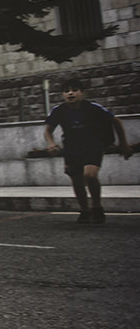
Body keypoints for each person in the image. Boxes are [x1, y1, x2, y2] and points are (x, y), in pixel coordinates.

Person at [44, 79, 132, 223]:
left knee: (90, 175)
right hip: (72, 149)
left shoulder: (93, 107)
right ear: (63, 95)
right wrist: (51, 144)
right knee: (77, 180)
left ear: (82, 93)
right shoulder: (59, 110)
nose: (70, 93)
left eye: (75, 90)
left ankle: (97, 207)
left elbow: (116, 121)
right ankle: (84, 210)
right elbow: (48, 131)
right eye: (67, 91)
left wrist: (123, 144)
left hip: (93, 147)